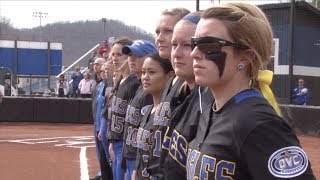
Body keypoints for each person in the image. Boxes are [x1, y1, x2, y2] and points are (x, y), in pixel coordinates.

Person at [187, 2, 315, 179]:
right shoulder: (209, 108)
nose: (193, 53)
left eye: (208, 45)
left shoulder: (260, 124)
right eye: (194, 43)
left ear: (247, 56)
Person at [159, 11, 213, 180]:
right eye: (174, 45)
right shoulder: (184, 92)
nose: (176, 54)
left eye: (187, 45)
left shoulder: (213, 100)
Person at [121, 39, 157, 180]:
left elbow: (148, 134)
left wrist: (137, 166)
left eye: (137, 55)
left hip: (139, 161)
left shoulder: (150, 91)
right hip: (129, 155)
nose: (131, 58)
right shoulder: (139, 87)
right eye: (130, 55)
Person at [135, 52, 174, 180]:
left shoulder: (171, 112)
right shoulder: (148, 110)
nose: (145, 77)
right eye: (143, 72)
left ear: (169, 76)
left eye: (151, 72)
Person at [107, 37, 139, 180]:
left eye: (119, 55)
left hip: (126, 146)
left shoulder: (135, 83)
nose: (114, 58)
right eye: (113, 54)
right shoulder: (120, 81)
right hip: (117, 143)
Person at [91, 57, 108, 180]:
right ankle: (102, 172)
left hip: (103, 122)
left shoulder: (107, 85)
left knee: (106, 152)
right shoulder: (97, 83)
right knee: (99, 150)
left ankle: (105, 173)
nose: (96, 67)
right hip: (96, 121)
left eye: (103, 68)